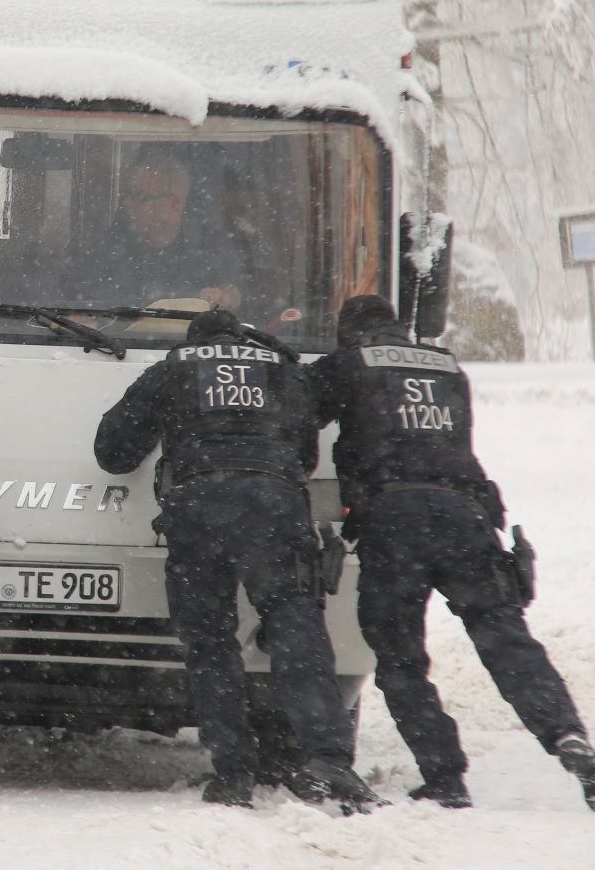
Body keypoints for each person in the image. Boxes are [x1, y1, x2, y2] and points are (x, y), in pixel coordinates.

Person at [309, 294, 595, 813]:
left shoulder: (349, 364)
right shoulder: (448, 368)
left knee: (399, 658)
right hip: (467, 517)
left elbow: (296, 409)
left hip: (395, 520)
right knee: (506, 640)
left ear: (349, 334)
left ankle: (444, 776)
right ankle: (568, 735)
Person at [93, 308, 382, 812]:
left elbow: (113, 451)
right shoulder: (284, 370)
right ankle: (328, 757)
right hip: (274, 506)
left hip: (197, 508)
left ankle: (233, 773)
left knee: (210, 642)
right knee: (297, 629)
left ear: (196, 340)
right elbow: (307, 456)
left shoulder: (174, 367)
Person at [72, 153, 248, 312]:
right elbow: (82, 301)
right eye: (126, 195)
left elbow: (244, 297)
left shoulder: (212, 247)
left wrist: (228, 296)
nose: (127, 203)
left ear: (175, 204)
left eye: (139, 196)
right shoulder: (109, 248)